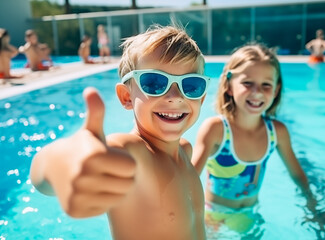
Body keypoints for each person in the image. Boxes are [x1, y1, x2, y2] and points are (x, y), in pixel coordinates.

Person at [30, 25, 210, 240]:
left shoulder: (184, 151)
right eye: (154, 83)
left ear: (201, 98)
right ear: (126, 96)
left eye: (191, 85)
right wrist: (63, 163)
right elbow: (44, 174)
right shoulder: (133, 154)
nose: (175, 96)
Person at [191, 44, 317, 234]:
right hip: (214, 216)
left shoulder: (276, 132)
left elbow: (297, 175)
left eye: (266, 85)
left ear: (276, 91)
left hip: (251, 213)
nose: (257, 92)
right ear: (229, 86)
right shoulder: (216, 130)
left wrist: (312, 205)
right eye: (247, 83)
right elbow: (189, 178)